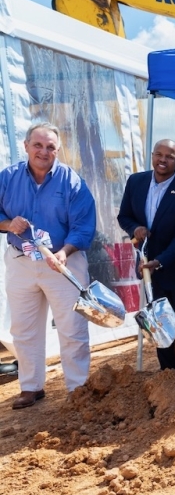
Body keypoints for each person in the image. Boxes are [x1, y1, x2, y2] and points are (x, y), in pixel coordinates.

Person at [0, 123, 96, 409]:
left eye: (50, 147)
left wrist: (65, 252)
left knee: (72, 327)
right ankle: (31, 387)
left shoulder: (72, 181)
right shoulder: (7, 177)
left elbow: (84, 226)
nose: (44, 151)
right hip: (21, 261)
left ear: (57, 150)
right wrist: (6, 224)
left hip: (63, 262)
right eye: (38, 145)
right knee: (24, 328)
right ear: (27, 146)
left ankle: (77, 388)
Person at [117, 139, 175, 370]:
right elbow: (123, 216)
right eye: (159, 154)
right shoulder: (136, 182)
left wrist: (161, 261)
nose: (163, 160)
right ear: (153, 155)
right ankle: (169, 375)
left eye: (170, 156)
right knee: (160, 324)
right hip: (149, 272)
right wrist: (134, 228)